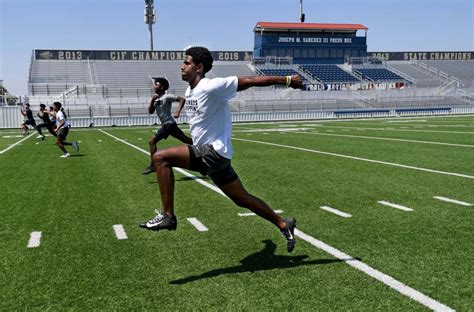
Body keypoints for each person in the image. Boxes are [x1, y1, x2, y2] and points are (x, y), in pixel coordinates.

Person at [140, 47, 303, 253]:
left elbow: (250, 81)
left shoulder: (212, 86)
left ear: (199, 67)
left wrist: (287, 80)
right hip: (215, 157)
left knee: (161, 158)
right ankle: (283, 223)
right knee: (241, 199)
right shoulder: (191, 91)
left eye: (187, 63)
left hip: (213, 152)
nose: (182, 66)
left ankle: (168, 216)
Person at [142, 77, 192, 175]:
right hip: (168, 125)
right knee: (187, 140)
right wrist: (152, 101)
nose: (154, 86)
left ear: (162, 87)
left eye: (157, 84)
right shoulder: (156, 99)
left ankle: (153, 166)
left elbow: (182, 99)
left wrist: (177, 112)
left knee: (152, 141)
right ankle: (204, 147)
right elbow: (151, 111)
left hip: (169, 125)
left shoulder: (167, 96)